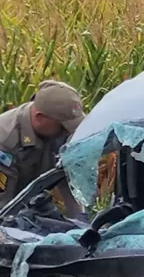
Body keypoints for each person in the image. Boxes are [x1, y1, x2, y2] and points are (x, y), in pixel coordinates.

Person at [0, 80, 85, 209]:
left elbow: (67, 177)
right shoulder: (6, 141)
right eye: (63, 127)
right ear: (39, 117)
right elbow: (4, 205)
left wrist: (82, 221)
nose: (68, 133)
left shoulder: (57, 130)